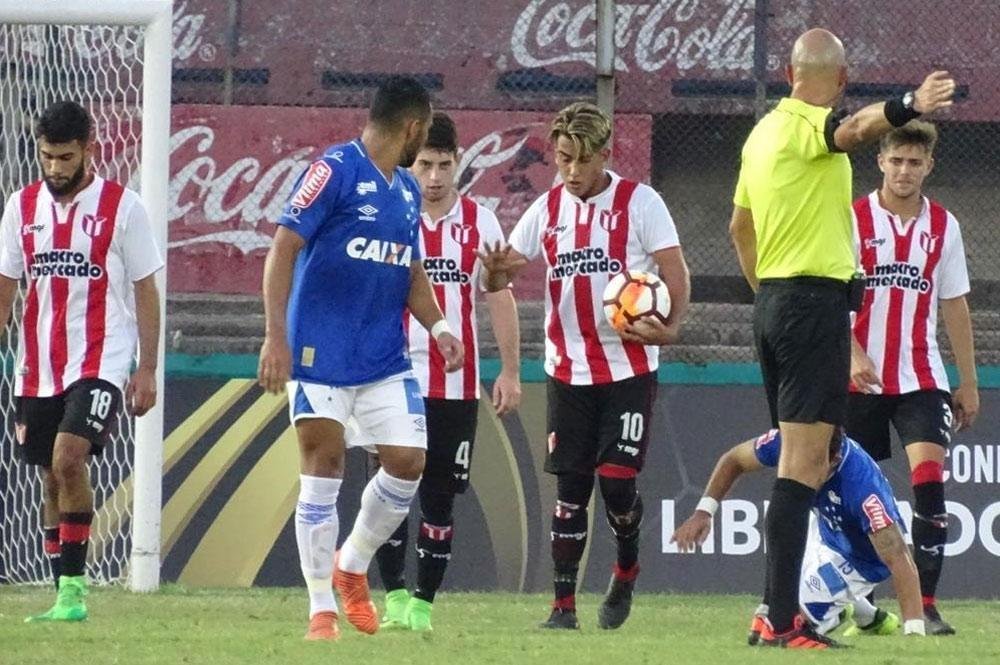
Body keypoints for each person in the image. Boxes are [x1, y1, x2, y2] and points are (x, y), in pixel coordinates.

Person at [729, 27, 956, 647]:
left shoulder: (761, 135)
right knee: (803, 465)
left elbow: (739, 227)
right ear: (843, 78)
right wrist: (911, 105)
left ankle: (778, 613)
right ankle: (780, 618)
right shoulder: (809, 126)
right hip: (812, 305)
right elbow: (853, 132)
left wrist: (767, 297)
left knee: (802, 457)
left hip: (775, 302)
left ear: (787, 72)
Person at [257, 76, 464, 642]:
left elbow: (409, 269)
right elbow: (283, 248)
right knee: (323, 470)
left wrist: (440, 325)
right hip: (319, 354)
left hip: (383, 360)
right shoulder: (334, 170)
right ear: (414, 128)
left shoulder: (404, 191)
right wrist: (275, 337)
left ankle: (352, 564)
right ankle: (320, 609)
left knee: (408, 462)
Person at [480, 101, 690, 630]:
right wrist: (495, 274)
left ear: (605, 154)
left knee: (616, 481)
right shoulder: (548, 210)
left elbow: (675, 272)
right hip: (568, 370)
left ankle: (626, 566)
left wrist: (670, 327)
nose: (570, 170)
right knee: (571, 488)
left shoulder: (641, 204)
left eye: (580, 159)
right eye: (562, 158)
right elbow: (503, 275)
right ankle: (562, 608)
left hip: (628, 367)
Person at [0, 101, 162, 621]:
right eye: (46, 156)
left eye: (65, 157)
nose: (55, 168)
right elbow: (5, 288)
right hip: (38, 364)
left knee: (69, 458)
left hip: (102, 359)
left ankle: (74, 593)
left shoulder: (124, 207)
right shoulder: (19, 208)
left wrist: (147, 367)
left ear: (90, 148)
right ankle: (61, 590)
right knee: (49, 477)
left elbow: (145, 289)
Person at [373, 111, 522, 632]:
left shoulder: (481, 223)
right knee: (390, 491)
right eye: (424, 165)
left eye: (443, 165)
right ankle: (391, 599)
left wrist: (509, 370)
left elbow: (498, 295)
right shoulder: (391, 216)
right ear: (409, 166)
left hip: (455, 385)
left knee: (439, 497)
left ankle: (422, 605)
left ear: (459, 164)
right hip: (391, 378)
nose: (433, 177)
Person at [847, 121, 978, 635]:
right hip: (861, 379)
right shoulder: (852, 218)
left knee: (928, 485)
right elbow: (831, 296)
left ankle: (925, 605)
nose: (904, 171)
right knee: (857, 493)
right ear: (880, 161)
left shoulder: (944, 226)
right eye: (895, 160)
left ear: (929, 167)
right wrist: (852, 352)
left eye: (914, 163)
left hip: (921, 375)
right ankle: (859, 599)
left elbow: (954, 303)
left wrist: (966, 380)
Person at [671, 428, 927, 648]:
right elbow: (734, 459)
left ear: (834, 458)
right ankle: (868, 616)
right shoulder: (794, 441)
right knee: (769, 620)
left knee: (792, 626)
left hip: (862, 559)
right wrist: (704, 511)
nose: (801, 470)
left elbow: (899, 558)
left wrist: (914, 634)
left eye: (812, 466)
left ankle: (840, 607)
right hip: (822, 527)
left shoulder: (863, 490)